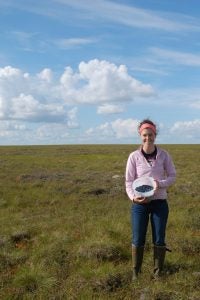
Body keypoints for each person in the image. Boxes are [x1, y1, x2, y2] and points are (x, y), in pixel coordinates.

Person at [125, 119, 176, 280]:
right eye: (145, 135)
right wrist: (134, 198)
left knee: (159, 238)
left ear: (155, 135)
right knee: (138, 237)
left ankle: (158, 273)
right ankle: (136, 273)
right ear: (140, 135)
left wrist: (158, 184)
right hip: (139, 204)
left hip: (160, 203)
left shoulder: (164, 155)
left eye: (151, 134)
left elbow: (173, 176)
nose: (148, 138)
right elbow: (128, 181)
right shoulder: (134, 156)